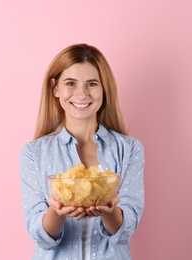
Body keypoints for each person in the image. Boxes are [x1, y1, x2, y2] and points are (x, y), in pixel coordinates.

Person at [20, 43, 145, 260]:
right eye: (71, 83)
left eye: (92, 84)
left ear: (104, 89)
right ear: (55, 88)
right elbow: (39, 235)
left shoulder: (130, 149)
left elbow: (125, 230)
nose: (82, 93)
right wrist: (57, 212)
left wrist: (110, 212)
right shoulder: (34, 153)